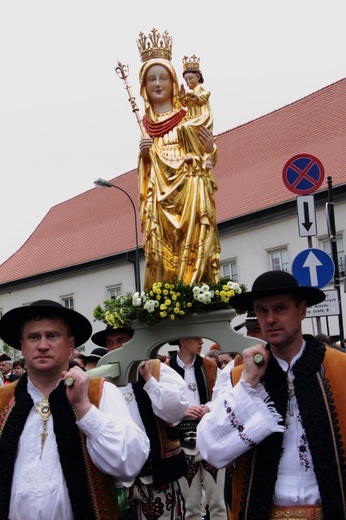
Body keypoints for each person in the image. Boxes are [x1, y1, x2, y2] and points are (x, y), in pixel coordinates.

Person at [197, 270, 346, 519]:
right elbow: (212, 450)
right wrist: (248, 383)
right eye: (262, 311)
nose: (270, 319)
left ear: (301, 311)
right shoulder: (239, 377)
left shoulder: (339, 368)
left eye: (280, 309)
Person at [0, 299, 150, 520]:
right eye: (33, 337)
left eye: (52, 336)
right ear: (22, 346)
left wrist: (85, 409)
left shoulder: (98, 392)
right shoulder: (4, 399)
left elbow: (129, 463)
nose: (42, 345)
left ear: (71, 345)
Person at [137, 28, 221, 289]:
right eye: (152, 79)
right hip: (159, 194)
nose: (158, 84)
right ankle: (167, 292)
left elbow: (208, 152)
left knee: (195, 239)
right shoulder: (147, 125)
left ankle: (195, 286)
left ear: (174, 82)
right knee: (161, 247)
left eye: (164, 77)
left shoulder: (188, 115)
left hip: (191, 188)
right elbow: (145, 171)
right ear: (144, 86)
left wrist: (211, 150)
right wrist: (144, 155)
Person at [119, 358, 189, 519]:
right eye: (110, 342)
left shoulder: (158, 370)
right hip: (123, 476)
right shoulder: (104, 378)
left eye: (121, 340)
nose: (116, 347)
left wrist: (149, 380)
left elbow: (175, 411)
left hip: (156, 469)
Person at [166, 337, 228, 519]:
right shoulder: (166, 368)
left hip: (211, 437)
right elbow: (159, 405)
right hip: (181, 440)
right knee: (191, 506)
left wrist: (208, 406)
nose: (201, 341)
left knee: (218, 503)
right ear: (183, 341)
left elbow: (223, 395)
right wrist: (181, 410)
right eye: (196, 338)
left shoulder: (209, 365)